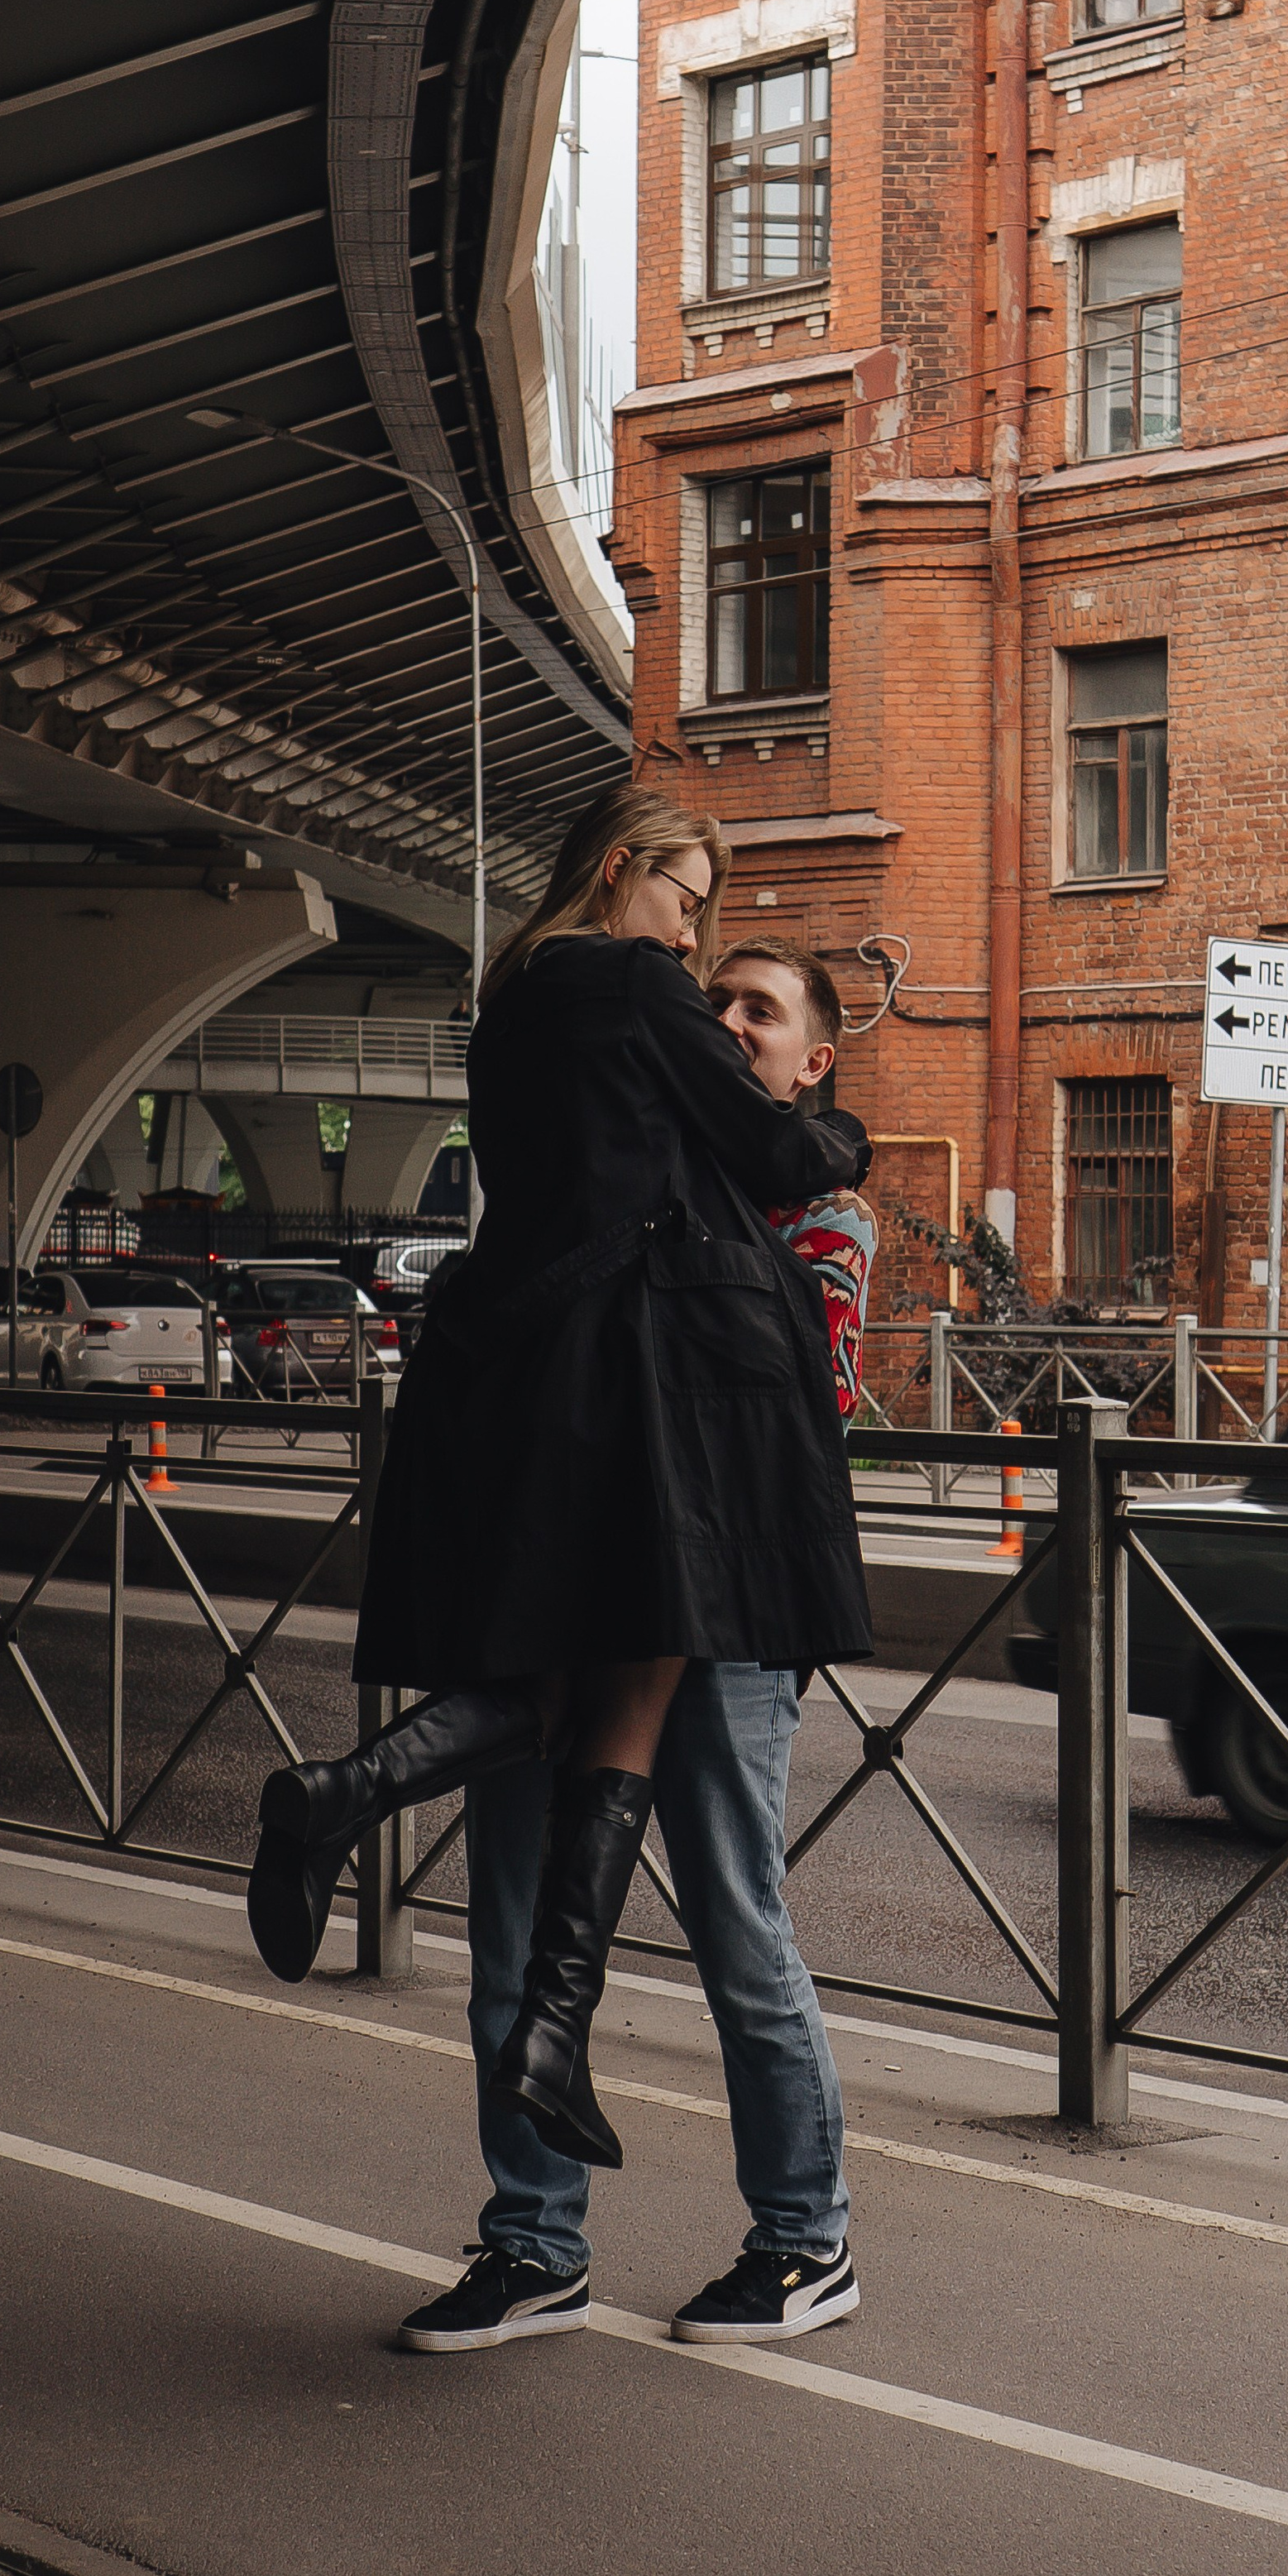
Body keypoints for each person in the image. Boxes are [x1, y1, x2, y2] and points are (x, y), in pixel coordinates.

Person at [245, 791, 872, 2191]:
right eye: (688, 896)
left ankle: (364, 1809)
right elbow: (775, 1155)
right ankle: (544, 2021)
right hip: (635, 1392)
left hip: (520, 1379)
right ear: (621, 871)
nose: (693, 929)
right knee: (638, 1675)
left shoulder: (513, 992)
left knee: (581, 1687)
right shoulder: (633, 980)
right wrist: (847, 1141)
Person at [401, 936, 876, 2353]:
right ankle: (532, 2246)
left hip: (724, 1611)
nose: (727, 1025)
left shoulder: (814, 1216)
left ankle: (806, 2240)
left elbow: (801, 1408)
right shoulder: (618, 1179)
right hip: (571, 1594)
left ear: (811, 1061)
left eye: (761, 1012)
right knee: (511, 1932)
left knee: (738, 1923)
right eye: (711, 1003)